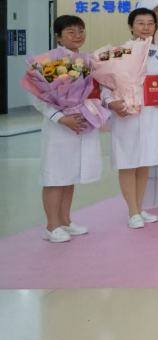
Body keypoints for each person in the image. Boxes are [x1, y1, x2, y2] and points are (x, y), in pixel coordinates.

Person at [33, 15, 102, 243]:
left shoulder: (86, 60)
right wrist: (61, 118)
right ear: (58, 36)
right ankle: (51, 226)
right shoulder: (49, 62)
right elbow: (39, 98)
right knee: (55, 177)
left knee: (69, 175)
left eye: (81, 31)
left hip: (79, 123)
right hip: (59, 128)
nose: (77, 35)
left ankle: (65, 221)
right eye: (71, 32)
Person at [101, 8, 158, 229]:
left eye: (150, 23)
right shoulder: (119, 53)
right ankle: (132, 211)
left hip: (152, 115)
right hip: (127, 115)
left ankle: (140, 208)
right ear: (131, 26)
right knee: (127, 162)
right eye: (140, 23)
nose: (146, 27)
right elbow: (105, 86)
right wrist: (111, 102)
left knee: (144, 163)